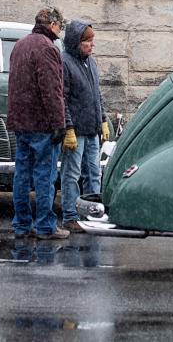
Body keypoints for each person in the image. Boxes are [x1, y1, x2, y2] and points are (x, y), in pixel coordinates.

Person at [8, 6, 70, 240]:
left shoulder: (20, 45)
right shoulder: (48, 49)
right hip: (42, 124)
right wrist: (59, 123)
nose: (60, 31)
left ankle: (22, 224)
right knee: (45, 176)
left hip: (20, 122)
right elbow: (52, 91)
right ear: (52, 24)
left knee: (22, 175)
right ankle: (46, 226)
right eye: (60, 26)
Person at [59, 20, 108, 232]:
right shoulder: (65, 63)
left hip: (91, 129)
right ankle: (70, 215)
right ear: (77, 42)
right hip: (76, 130)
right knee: (72, 173)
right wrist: (68, 127)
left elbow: (97, 95)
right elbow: (63, 98)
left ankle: (92, 213)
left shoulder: (91, 63)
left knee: (94, 172)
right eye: (88, 41)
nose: (91, 45)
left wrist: (103, 120)